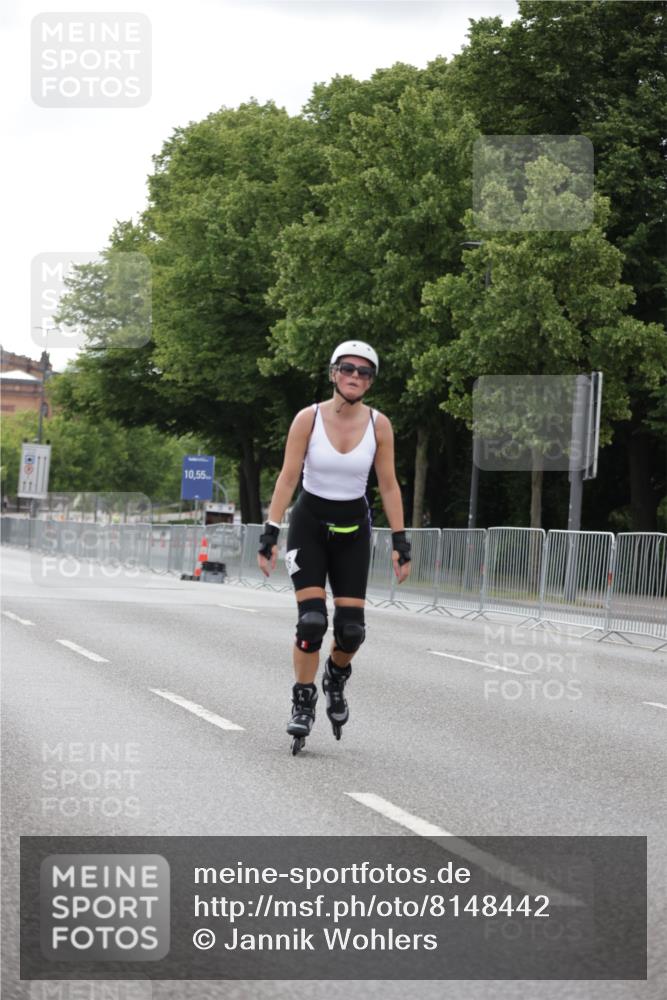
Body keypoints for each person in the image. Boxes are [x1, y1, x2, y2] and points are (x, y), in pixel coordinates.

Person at [257, 340, 412, 753]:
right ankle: (303, 699)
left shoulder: (379, 424)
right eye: (348, 369)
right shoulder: (307, 419)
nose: (355, 377)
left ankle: (336, 676)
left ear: (371, 382)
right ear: (333, 373)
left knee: (351, 631)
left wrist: (401, 539)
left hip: (353, 532)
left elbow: (389, 484)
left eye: (364, 372)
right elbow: (288, 478)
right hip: (309, 527)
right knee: (311, 622)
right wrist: (270, 532)